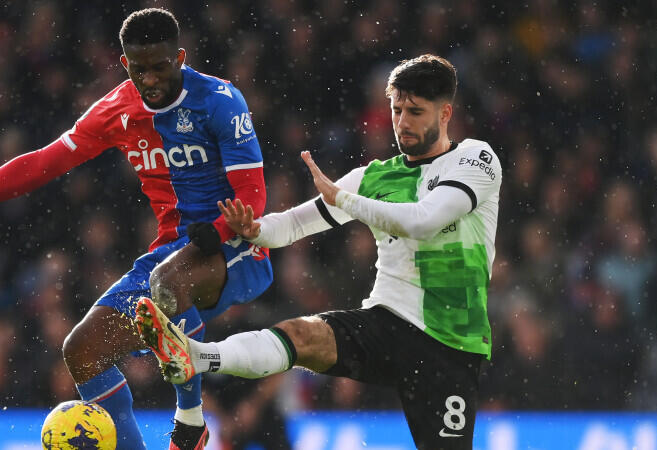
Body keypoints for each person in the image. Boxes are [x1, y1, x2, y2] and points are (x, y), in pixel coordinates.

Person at [0, 8, 273, 450]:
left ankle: (190, 420)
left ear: (180, 57)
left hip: (234, 249)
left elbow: (252, 196)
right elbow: (40, 164)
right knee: (82, 352)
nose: (150, 79)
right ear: (123, 64)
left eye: (160, 67)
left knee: (171, 282)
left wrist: (216, 230)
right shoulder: (116, 110)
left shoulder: (220, 101)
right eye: (139, 69)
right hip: (170, 253)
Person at [135, 54, 502, 449]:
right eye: (397, 109)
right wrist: (254, 229)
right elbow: (293, 224)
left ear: (445, 113)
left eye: (415, 111)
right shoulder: (374, 176)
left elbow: (423, 220)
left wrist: (346, 200)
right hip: (387, 321)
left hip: (449, 344)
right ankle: (195, 355)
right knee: (301, 336)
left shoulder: (475, 160)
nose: (403, 122)